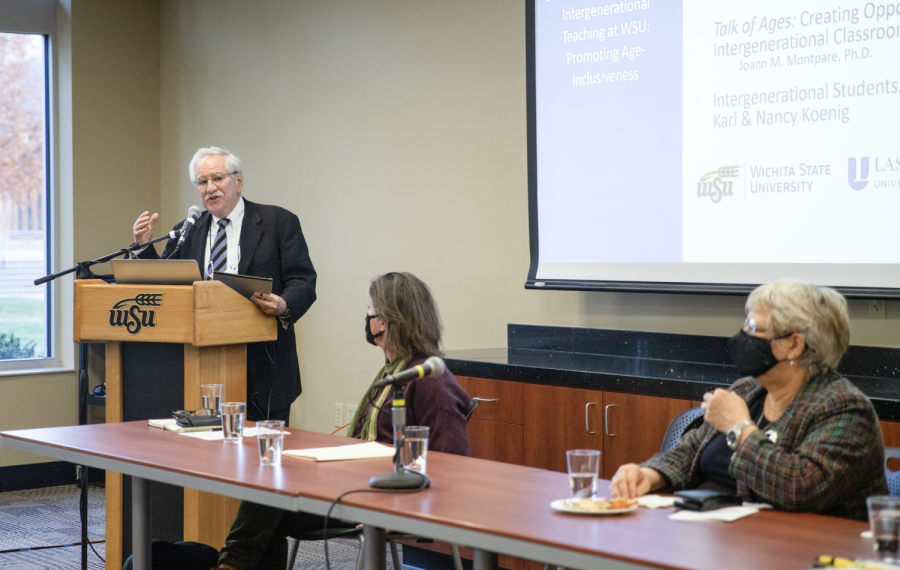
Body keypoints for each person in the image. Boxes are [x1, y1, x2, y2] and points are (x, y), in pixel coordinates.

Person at [214, 272, 471, 570]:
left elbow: (455, 463)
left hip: (379, 495)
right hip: (357, 482)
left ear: (385, 322)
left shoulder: (428, 380)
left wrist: (402, 510)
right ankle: (231, 564)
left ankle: (229, 565)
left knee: (270, 492)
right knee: (270, 492)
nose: (367, 318)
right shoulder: (395, 371)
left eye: (369, 311)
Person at [609, 279, 888, 520]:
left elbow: (799, 488)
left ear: (794, 345)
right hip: (722, 540)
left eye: (754, 327)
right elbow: (689, 453)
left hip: (806, 552)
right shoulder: (747, 390)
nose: (743, 335)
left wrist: (740, 428)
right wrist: (650, 475)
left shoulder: (846, 409)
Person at [131, 147, 316, 423]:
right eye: (202, 182)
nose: (210, 188)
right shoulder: (187, 229)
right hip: (198, 361)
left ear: (238, 181)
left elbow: (303, 280)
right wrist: (144, 247)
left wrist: (283, 304)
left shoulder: (279, 222)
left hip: (262, 364)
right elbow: (165, 283)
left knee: (259, 456)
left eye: (218, 178)